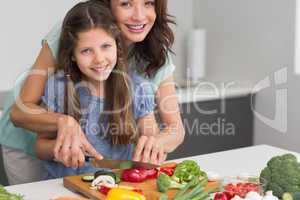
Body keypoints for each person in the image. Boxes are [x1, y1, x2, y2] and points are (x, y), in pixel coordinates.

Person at [0, 0, 185, 184]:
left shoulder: (141, 81)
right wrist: (62, 135)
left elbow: (169, 130)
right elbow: (31, 129)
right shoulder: (79, 29)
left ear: (117, 47)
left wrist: (155, 146)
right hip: (33, 145)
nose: (138, 15)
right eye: (126, 4)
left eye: (148, 3)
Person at [34, 0, 158, 179]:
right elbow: (40, 147)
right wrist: (59, 149)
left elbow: (150, 140)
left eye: (106, 46)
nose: (99, 59)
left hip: (118, 187)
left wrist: (151, 148)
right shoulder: (59, 87)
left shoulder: (138, 88)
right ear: (73, 56)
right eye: (86, 51)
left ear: (117, 46)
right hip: (65, 185)